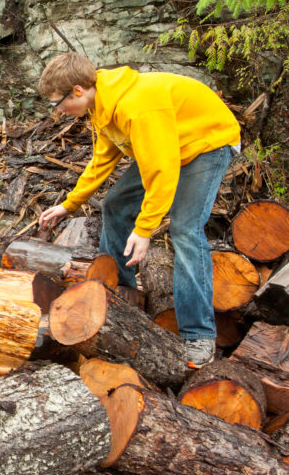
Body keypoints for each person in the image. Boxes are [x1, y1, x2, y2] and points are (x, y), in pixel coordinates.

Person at [37, 52, 240, 367]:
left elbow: (162, 170)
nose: (59, 110)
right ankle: (121, 296)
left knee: (185, 229)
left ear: (77, 90)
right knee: (116, 203)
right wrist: (69, 204)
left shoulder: (137, 107)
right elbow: (102, 161)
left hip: (206, 144)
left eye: (58, 102)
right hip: (170, 147)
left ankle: (198, 335)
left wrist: (144, 229)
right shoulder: (102, 107)